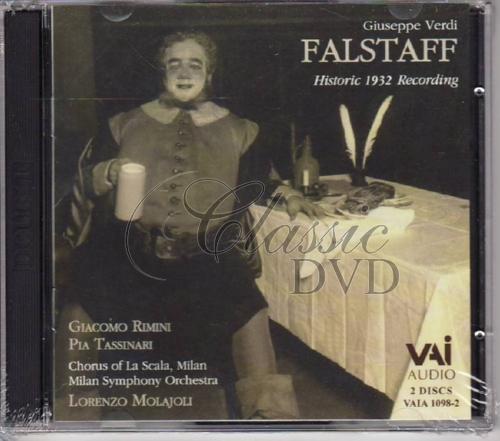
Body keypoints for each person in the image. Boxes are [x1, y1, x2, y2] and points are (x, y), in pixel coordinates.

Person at [57, 30, 322, 420]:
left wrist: (286, 193)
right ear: (162, 72)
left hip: (207, 253)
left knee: (250, 311)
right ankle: (71, 420)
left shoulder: (241, 130)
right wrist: (105, 172)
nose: (184, 72)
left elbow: (259, 179)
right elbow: (81, 181)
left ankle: (271, 419)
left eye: (194, 65)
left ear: (209, 74)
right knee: (79, 308)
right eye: (174, 64)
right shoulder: (122, 124)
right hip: (128, 249)